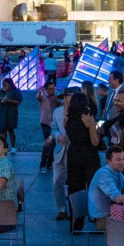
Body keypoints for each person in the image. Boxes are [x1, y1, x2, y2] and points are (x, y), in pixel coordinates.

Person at [66, 92, 101, 195]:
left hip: (73, 152)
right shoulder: (88, 119)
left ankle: (75, 208)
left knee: (75, 185)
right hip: (88, 153)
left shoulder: (67, 119)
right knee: (92, 185)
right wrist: (93, 126)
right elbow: (95, 142)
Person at [87, 146, 124, 228]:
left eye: (123, 159)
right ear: (108, 161)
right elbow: (117, 198)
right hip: (102, 218)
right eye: (118, 160)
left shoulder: (117, 171)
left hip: (112, 213)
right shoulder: (103, 175)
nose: (122, 162)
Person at [51, 88, 72, 221]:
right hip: (60, 150)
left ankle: (74, 208)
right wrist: (57, 135)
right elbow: (53, 128)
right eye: (65, 97)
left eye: (69, 97)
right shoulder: (57, 111)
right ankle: (61, 209)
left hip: (74, 150)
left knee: (74, 181)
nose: (67, 99)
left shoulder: (82, 111)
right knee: (57, 180)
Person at [0, 77, 23, 152]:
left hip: (11, 113)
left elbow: (19, 101)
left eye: (5, 84)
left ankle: (13, 147)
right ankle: (4, 147)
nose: (4, 86)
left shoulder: (15, 92)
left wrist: (9, 100)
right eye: (3, 84)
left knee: (11, 130)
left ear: (10, 85)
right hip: (2, 112)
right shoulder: (0, 91)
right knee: (3, 131)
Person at [37, 80, 59, 172]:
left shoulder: (55, 96)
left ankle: (50, 163)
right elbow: (38, 97)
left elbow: (60, 104)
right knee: (48, 143)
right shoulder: (43, 96)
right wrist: (39, 91)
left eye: (53, 88)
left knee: (53, 144)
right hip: (45, 123)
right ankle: (42, 164)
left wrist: (56, 97)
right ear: (46, 89)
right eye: (50, 89)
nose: (52, 91)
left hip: (54, 123)